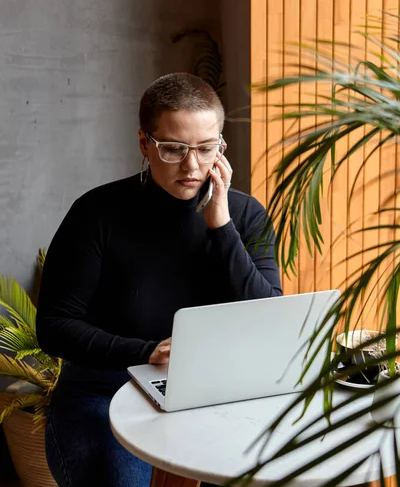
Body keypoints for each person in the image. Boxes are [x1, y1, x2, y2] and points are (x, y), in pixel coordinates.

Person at [36, 72, 282, 487]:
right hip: (105, 388)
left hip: (214, 389)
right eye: (173, 148)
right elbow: (55, 328)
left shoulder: (244, 214)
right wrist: (147, 351)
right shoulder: (97, 213)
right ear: (144, 143)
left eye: (206, 149)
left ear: (221, 146)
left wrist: (221, 226)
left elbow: (268, 316)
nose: (192, 165)